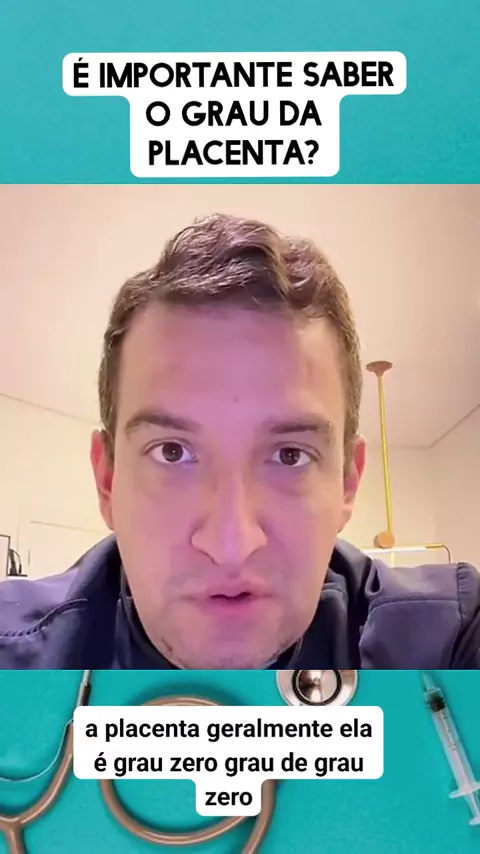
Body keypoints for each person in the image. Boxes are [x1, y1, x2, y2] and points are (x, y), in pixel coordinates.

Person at [0, 213, 479, 670]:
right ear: (107, 481)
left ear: (348, 483)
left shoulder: (449, 638)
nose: (231, 544)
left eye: (289, 455)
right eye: (172, 452)